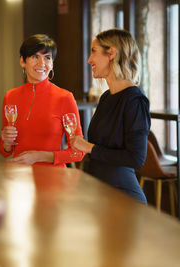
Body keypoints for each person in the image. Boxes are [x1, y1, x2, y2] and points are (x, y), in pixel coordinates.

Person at [70, 29, 150, 203]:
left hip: (123, 198)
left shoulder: (135, 100)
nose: (89, 60)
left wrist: (89, 148)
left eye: (93, 51)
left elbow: (136, 159)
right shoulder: (106, 97)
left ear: (112, 53)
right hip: (99, 193)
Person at [0, 34, 84, 167]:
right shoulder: (10, 96)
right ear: (22, 61)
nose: (41, 63)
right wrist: (6, 143)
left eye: (47, 58)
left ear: (52, 63)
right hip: (20, 179)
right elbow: (4, 151)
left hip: (54, 180)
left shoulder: (65, 97)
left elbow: (78, 152)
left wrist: (39, 156)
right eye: (35, 57)